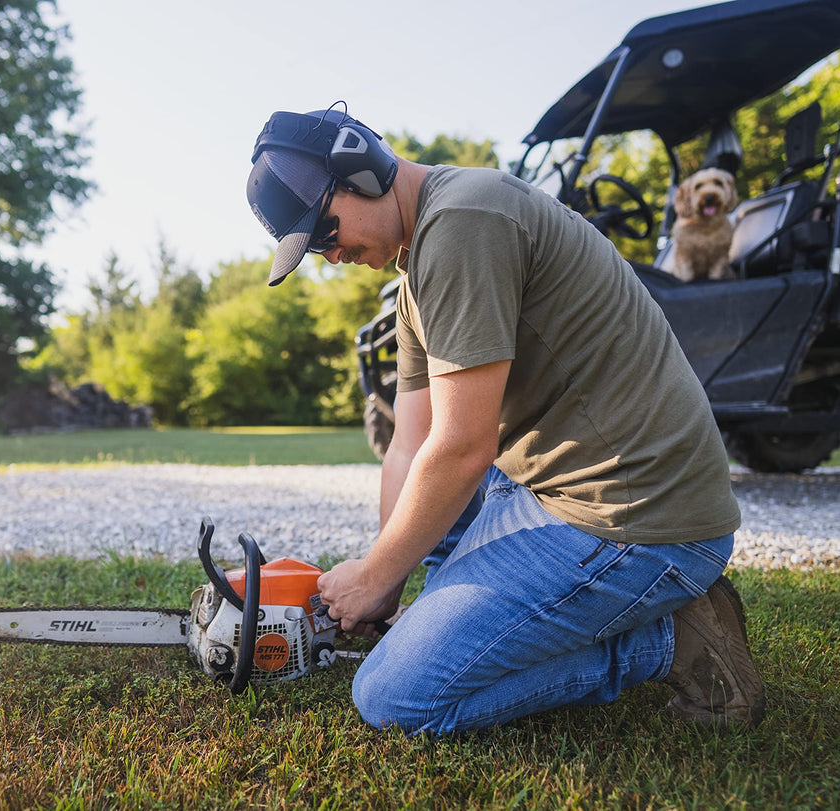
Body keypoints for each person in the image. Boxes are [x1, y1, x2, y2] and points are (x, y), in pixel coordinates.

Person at [245, 105, 765, 735]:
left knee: (394, 697)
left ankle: (672, 642)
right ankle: (463, 615)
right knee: (422, 546)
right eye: (313, 248)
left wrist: (374, 577)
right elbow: (409, 445)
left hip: (633, 519)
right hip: (553, 489)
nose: (330, 256)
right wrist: (385, 581)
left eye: (325, 232)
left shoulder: (464, 223)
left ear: (361, 168)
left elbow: (463, 448)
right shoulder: (418, 271)